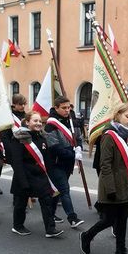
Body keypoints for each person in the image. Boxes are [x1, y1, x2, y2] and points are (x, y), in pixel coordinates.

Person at [80, 104, 128, 254]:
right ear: (117, 115)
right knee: (109, 219)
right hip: (112, 186)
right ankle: (87, 235)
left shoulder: (125, 135)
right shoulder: (109, 136)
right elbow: (104, 165)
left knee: (122, 219)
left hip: (125, 186)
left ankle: (120, 253)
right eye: (127, 116)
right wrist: (111, 189)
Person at [10, 111, 63, 238]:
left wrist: (51, 175)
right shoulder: (19, 138)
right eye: (35, 121)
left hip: (40, 176)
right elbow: (16, 162)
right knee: (20, 203)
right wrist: (23, 182)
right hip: (24, 176)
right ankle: (17, 226)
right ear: (27, 122)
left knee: (46, 200)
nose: (39, 123)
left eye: (40, 121)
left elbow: (46, 160)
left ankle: (50, 229)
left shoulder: (41, 137)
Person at [45, 96, 84, 228]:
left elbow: (78, 137)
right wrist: (73, 155)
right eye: (64, 108)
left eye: (69, 107)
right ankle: (72, 218)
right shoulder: (51, 125)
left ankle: (50, 213)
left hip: (67, 162)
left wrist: (79, 147)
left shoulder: (72, 121)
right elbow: (54, 147)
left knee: (58, 190)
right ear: (56, 108)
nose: (67, 110)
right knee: (64, 189)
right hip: (55, 162)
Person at [1, 93, 27, 165]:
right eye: (20, 104)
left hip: (25, 149)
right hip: (13, 150)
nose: (23, 106)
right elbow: (4, 137)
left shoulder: (25, 116)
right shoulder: (8, 117)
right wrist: (11, 151)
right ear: (14, 104)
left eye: (24, 104)